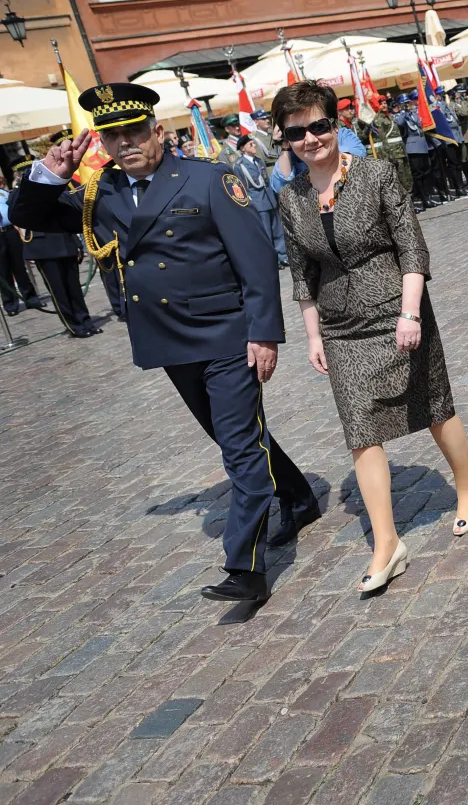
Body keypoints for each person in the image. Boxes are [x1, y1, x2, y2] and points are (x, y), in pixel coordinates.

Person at [11, 82, 320, 602]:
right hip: (170, 341)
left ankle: (245, 567)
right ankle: (298, 496)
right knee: (233, 435)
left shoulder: (207, 180)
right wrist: (49, 176)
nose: (125, 144)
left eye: (134, 131)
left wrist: (264, 333)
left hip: (226, 335)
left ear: (157, 131)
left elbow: (257, 262)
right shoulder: (101, 193)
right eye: (113, 137)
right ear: (104, 145)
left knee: (240, 444)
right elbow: (31, 218)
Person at [271, 80, 468, 594]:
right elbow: (302, 273)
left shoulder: (376, 173)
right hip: (342, 327)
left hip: (397, 310)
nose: (311, 138)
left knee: (434, 406)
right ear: (286, 139)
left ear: (335, 125)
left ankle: (467, 486)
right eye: (297, 132)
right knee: (361, 430)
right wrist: (312, 334)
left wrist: (410, 313)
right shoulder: (291, 198)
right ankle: (387, 544)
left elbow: (412, 249)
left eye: (319, 126)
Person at [20, 222, 98, 338]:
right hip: (43, 245)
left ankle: (86, 321)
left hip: (65, 239)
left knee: (74, 288)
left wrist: (76, 242)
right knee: (59, 290)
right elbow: (18, 216)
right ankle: (74, 325)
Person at [235, 134, 287, 267]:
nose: (254, 146)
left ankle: (283, 256)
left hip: (269, 199)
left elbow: (266, 180)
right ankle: (272, 260)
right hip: (258, 202)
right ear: (243, 148)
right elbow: (241, 186)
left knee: (277, 230)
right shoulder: (239, 166)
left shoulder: (259, 161)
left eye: (254, 143)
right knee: (266, 233)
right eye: (251, 144)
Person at [0, 167, 46, 316]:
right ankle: (10, 304)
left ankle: (31, 298)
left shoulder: (4, 193)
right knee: (3, 270)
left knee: (20, 267)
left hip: (11, 232)